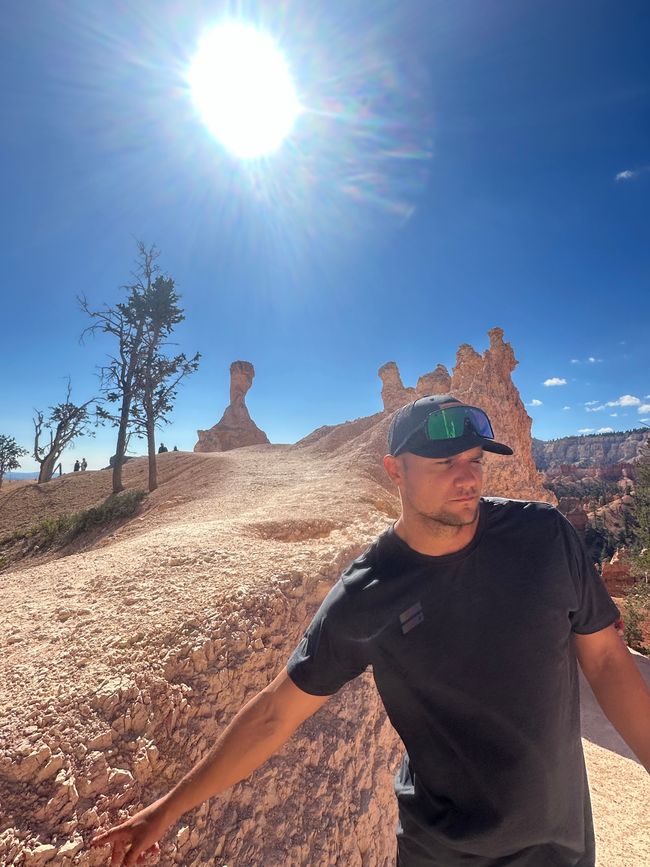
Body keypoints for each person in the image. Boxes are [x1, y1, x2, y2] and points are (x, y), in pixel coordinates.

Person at [90, 395, 650, 867]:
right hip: (443, 853)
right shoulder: (368, 593)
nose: (468, 478)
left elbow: (604, 661)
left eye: (476, 459)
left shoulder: (544, 537)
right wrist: (165, 809)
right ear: (394, 471)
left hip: (561, 849)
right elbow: (275, 713)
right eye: (444, 463)